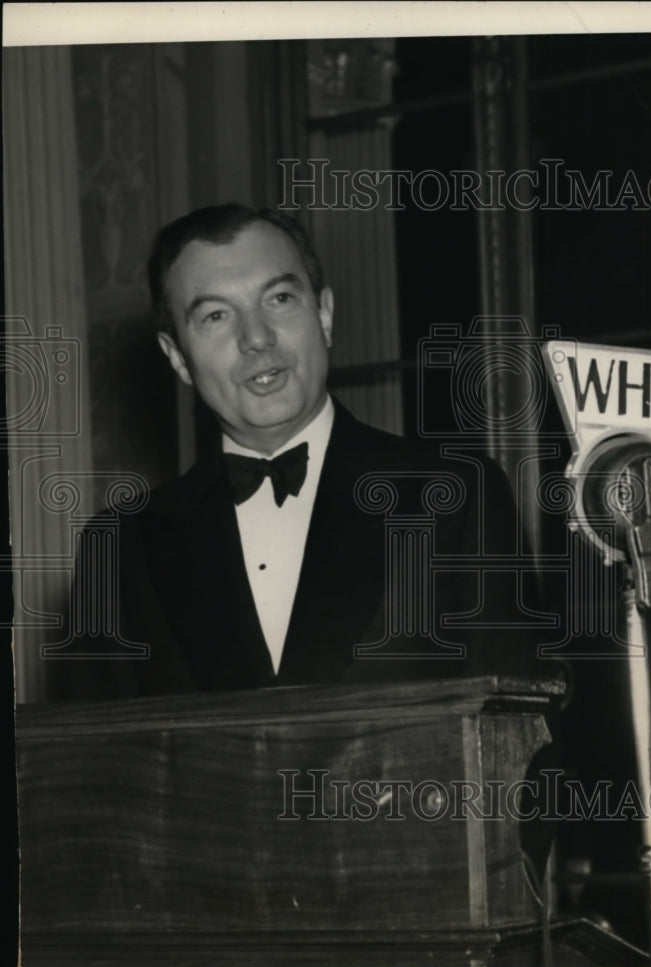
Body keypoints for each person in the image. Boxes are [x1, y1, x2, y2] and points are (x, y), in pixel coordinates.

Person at [53, 204, 539, 700]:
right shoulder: (119, 549)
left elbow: (516, 744)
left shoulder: (457, 498)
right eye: (216, 316)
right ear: (178, 356)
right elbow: (91, 768)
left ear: (324, 315)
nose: (257, 338)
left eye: (280, 298)